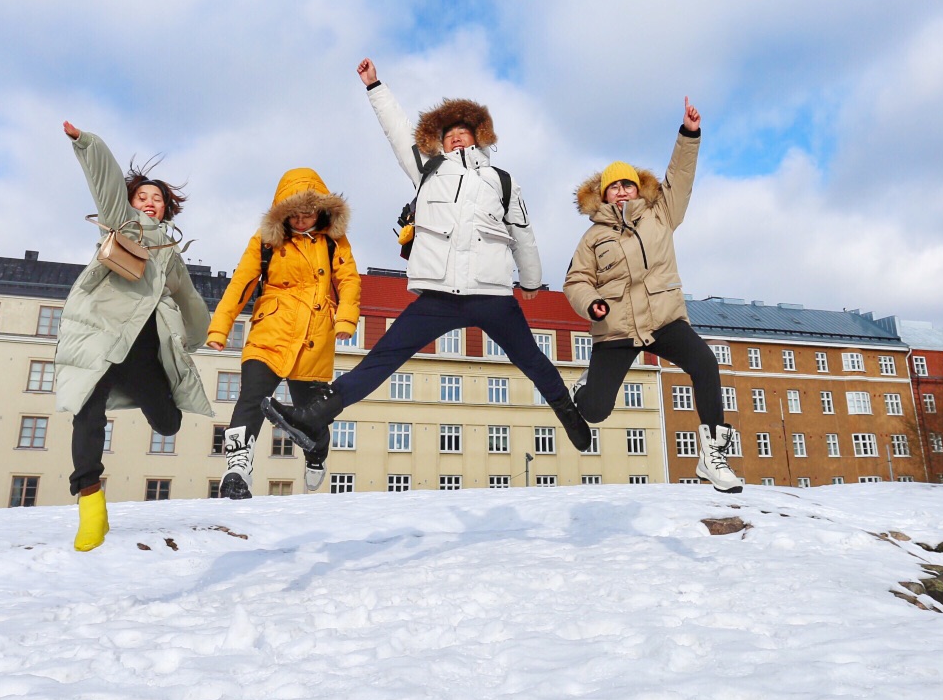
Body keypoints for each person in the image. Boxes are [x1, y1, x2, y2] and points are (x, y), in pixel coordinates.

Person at [267, 59, 592, 454]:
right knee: (384, 355)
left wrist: (528, 281)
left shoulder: (502, 181)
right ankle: (316, 416)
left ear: (479, 138)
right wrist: (375, 87)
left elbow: (522, 233)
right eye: (449, 134)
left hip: (491, 294)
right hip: (439, 293)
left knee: (533, 360)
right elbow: (398, 132)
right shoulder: (429, 169)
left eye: (463, 133)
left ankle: (569, 414)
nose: (456, 138)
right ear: (441, 142)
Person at [564, 98, 741, 492]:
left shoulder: (661, 215)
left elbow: (680, 177)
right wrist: (591, 303)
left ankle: (713, 455)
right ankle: (586, 387)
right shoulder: (593, 237)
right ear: (605, 196)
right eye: (614, 187)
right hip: (616, 328)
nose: (622, 191)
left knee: (705, 363)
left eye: (628, 184)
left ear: (637, 187)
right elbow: (575, 280)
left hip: (664, 319)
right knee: (594, 411)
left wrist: (689, 135)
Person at [56, 121, 212, 550]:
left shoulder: (170, 255)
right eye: (142, 196)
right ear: (130, 202)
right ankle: (91, 504)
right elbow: (104, 180)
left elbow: (190, 300)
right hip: (102, 340)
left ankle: (152, 393)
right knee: (86, 415)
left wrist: (200, 337)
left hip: (142, 351)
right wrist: (87, 144)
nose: (148, 203)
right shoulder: (118, 223)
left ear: (166, 210)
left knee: (168, 424)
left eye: (156, 199)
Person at [204, 167, 362, 498]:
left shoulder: (333, 241)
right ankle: (237, 466)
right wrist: (220, 326)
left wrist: (347, 318)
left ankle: (316, 454)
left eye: (309, 214)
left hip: (314, 335)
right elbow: (240, 285)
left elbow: (348, 280)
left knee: (312, 412)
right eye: (295, 215)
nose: (302, 221)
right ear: (283, 213)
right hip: (270, 330)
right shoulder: (265, 241)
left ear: (321, 210)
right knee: (250, 398)